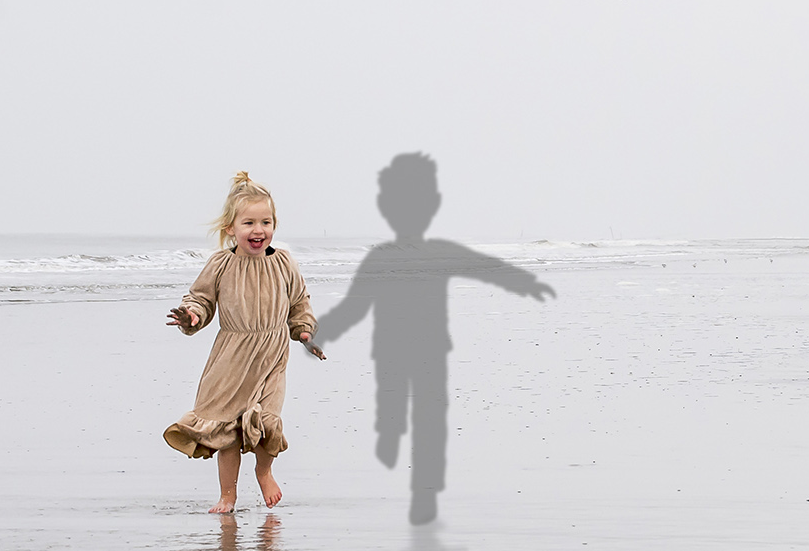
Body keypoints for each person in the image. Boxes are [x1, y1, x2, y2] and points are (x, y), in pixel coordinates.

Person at [310, 153, 554, 525]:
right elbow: (354, 306)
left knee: (430, 418)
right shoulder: (380, 257)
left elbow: (485, 267)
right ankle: (388, 435)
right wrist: (319, 334)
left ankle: (425, 490)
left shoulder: (440, 250)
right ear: (386, 207)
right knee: (391, 415)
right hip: (389, 357)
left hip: (431, 355)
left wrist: (527, 282)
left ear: (432, 205)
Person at [164, 172, 325, 513]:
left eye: (265, 222)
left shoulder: (283, 263)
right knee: (228, 432)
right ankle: (228, 495)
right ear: (230, 229)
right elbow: (201, 299)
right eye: (248, 222)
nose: (258, 230)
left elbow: (300, 302)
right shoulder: (221, 264)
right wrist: (191, 316)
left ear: (274, 225)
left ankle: (264, 472)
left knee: (267, 419)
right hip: (232, 358)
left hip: (271, 355)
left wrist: (304, 331)